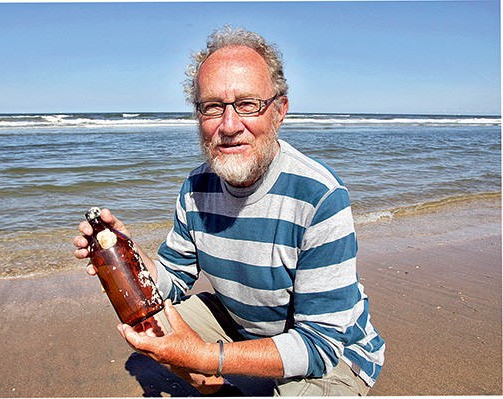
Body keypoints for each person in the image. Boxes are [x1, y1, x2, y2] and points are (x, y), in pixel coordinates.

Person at [74, 26, 385, 396]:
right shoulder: (196, 188)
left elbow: (319, 345)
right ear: (198, 115)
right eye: (213, 107)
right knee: (150, 323)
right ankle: (217, 388)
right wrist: (128, 256)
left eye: (247, 104)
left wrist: (206, 356)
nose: (229, 125)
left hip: (334, 357)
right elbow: (171, 281)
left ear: (279, 111)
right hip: (242, 327)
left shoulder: (319, 196)